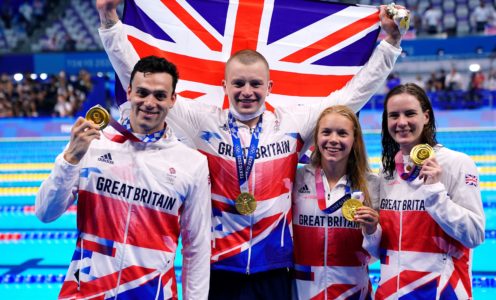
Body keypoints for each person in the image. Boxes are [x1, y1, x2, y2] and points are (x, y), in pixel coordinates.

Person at [96, 1, 405, 298]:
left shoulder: (292, 123)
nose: (247, 92)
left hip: (275, 270)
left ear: (269, 88)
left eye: (256, 84)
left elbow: (353, 95)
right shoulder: (202, 122)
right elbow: (141, 83)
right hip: (219, 269)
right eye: (239, 83)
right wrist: (109, 20)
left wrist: (390, 43)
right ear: (225, 85)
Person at [35, 56, 211, 300]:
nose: (150, 103)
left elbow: (198, 246)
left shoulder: (191, 163)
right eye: (142, 92)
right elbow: (45, 213)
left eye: (160, 95)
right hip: (86, 293)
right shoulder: (93, 145)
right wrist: (70, 159)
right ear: (129, 92)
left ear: (172, 100)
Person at [363, 83, 485, 299]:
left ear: (426, 116)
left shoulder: (456, 163)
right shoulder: (387, 170)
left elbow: (474, 234)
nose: (401, 122)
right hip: (391, 293)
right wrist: (371, 230)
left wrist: (435, 191)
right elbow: (378, 252)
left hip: (440, 292)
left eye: (410, 113)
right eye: (394, 116)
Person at [292, 105, 379, 299]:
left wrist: (373, 230)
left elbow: (378, 253)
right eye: (326, 132)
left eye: (342, 133)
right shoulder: (296, 179)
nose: (333, 140)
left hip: (352, 290)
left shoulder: (372, 185)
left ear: (354, 140)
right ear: (316, 138)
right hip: (303, 290)